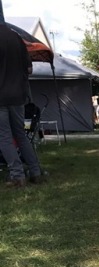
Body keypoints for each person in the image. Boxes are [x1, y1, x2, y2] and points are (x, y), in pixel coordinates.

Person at [0, 24, 43, 187]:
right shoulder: (16, 37)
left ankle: (17, 175)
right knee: (21, 135)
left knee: (4, 137)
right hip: (18, 96)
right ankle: (35, 172)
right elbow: (30, 69)